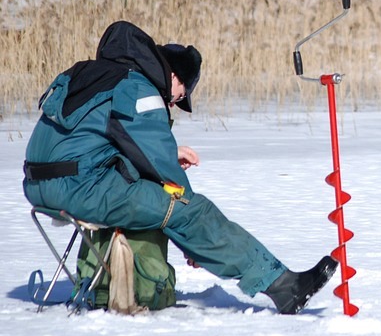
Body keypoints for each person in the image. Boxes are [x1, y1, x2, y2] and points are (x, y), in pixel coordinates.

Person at [22, 20, 338, 313]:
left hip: (41, 186)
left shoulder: (92, 74)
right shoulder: (139, 88)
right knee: (191, 209)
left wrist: (168, 159)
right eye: (179, 96)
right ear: (174, 76)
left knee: (162, 200)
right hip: (80, 190)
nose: (173, 103)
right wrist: (190, 227)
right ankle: (285, 287)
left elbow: (100, 142)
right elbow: (164, 174)